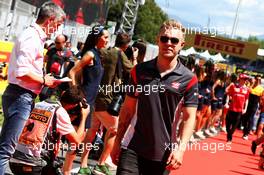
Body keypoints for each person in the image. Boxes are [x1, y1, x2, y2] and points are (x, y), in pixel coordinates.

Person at [111, 19, 198, 175]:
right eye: (164, 38)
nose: (168, 43)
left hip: (164, 154)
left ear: (181, 45)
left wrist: (180, 149)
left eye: (174, 40)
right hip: (132, 148)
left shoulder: (189, 79)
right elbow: (127, 110)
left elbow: (189, 118)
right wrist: (117, 142)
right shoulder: (139, 71)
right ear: (158, 41)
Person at [0, 2, 65, 174]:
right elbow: (22, 72)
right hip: (20, 95)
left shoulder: (33, 36)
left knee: (6, 148)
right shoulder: (31, 36)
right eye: (57, 25)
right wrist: (44, 80)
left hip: (20, 95)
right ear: (50, 20)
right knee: (6, 150)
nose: (56, 30)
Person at [77, 33, 136, 175]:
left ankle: (84, 165)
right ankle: (101, 164)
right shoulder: (120, 53)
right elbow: (133, 71)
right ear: (127, 45)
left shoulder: (102, 52)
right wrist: (134, 56)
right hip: (107, 99)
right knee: (114, 130)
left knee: (92, 132)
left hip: (94, 96)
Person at [9, 86, 89, 175]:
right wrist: (84, 117)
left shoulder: (38, 105)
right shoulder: (59, 112)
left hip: (14, 160)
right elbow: (77, 141)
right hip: (34, 165)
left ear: (62, 94)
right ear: (74, 105)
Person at [64, 25, 110, 175]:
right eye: (106, 37)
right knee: (76, 140)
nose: (108, 40)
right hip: (84, 100)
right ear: (98, 38)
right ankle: (66, 171)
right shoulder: (90, 54)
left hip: (90, 101)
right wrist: (77, 94)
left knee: (79, 139)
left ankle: (66, 170)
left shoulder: (97, 54)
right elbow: (72, 71)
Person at [225, 74, 249, 143]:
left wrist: (245, 108)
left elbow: (247, 99)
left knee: (234, 125)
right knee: (228, 125)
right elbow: (229, 94)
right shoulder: (234, 86)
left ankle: (229, 138)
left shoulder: (247, 89)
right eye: (243, 79)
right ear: (240, 79)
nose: (244, 80)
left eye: (245, 79)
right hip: (231, 108)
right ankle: (229, 134)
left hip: (239, 110)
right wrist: (226, 103)